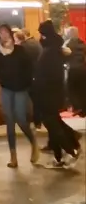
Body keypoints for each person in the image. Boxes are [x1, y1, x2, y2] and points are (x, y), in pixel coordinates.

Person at [33, 20, 81, 168]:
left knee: (52, 124)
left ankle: (70, 149)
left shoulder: (48, 53)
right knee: (54, 123)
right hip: (53, 93)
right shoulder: (56, 50)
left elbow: (45, 75)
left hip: (46, 94)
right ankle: (61, 154)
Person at [0, 23, 39, 168]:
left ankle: (33, 142)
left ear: (11, 34)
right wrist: (0, 80)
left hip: (20, 89)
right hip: (6, 89)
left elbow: (29, 68)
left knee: (20, 118)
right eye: (1, 33)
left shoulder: (20, 50)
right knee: (9, 121)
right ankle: (13, 156)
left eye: (6, 32)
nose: (4, 35)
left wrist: (26, 83)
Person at [63, 26, 86, 116]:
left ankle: (77, 107)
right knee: (83, 89)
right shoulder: (83, 43)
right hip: (83, 69)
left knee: (71, 89)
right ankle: (84, 109)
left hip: (71, 69)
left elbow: (63, 55)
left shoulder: (67, 44)